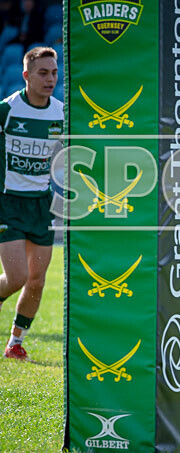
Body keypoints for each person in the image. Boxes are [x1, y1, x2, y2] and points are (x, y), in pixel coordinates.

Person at [0, 47, 61, 360]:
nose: (50, 78)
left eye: (53, 72)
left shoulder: (63, 113)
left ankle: (15, 342)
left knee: (37, 280)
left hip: (41, 204)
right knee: (17, 277)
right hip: (8, 203)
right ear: (26, 76)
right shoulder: (7, 110)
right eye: (43, 73)